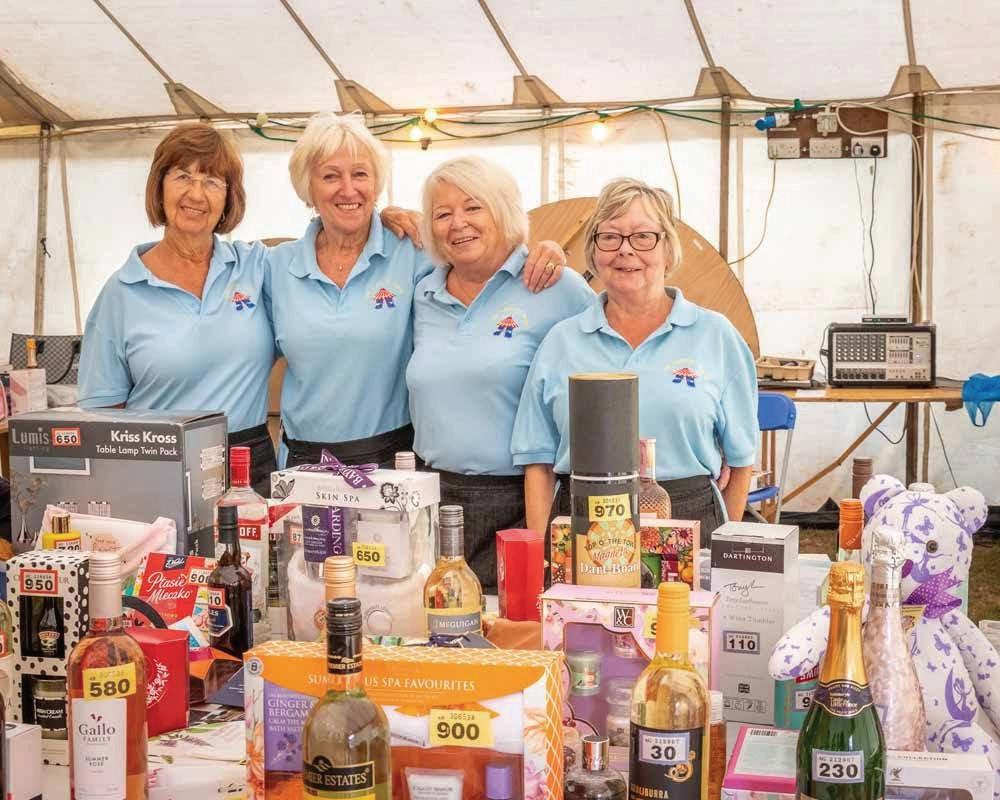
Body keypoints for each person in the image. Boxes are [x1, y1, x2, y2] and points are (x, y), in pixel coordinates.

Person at [267, 114, 567, 470]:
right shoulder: (276, 267)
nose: (348, 189)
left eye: (360, 174)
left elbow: (485, 253)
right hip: (302, 463)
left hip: (392, 462)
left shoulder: (413, 250)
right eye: (331, 176)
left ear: (377, 184)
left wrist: (545, 249)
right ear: (307, 188)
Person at [512, 177, 759, 540]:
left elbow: (741, 462)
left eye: (643, 237)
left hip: (689, 519)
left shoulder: (716, 335)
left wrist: (718, 549)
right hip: (582, 520)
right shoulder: (561, 342)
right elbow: (538, 462)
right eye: (610, 237)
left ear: (668, 249)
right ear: (593, 252)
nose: (625, 250)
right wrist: (541, 555)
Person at [406, 156, 594, 591]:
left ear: (505, 211)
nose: (458, 223)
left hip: (524, 499)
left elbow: (609, 376)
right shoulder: (423, 293)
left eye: (474, 207)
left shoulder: (557, 287)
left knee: (512, 622)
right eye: (442, 214)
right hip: (433, 500)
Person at [78, 123, 278, 494]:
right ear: (159, 186)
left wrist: (385, 219)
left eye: (212, 181)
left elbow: (325, 253)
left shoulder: (257, 267)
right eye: (183, 176)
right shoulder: (121, 292)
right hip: (158, 471)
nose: (195, 194)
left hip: (249, 469)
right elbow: (102, 416)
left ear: (229, 198)